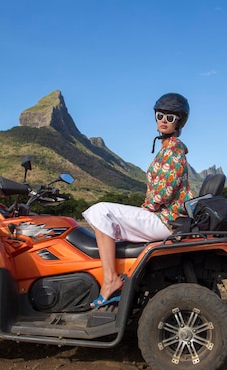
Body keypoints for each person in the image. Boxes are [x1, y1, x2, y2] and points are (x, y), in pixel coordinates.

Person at [82, 93, 193, 308]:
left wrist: (145, 209)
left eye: (170, 118)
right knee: (107, 215)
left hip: (165, 219)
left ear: (179, 121)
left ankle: (111, 280)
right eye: (160, 115)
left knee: (101, 211)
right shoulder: (166, 149)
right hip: (162, 217)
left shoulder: (174, 151)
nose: (163, 120)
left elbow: (163, 194)